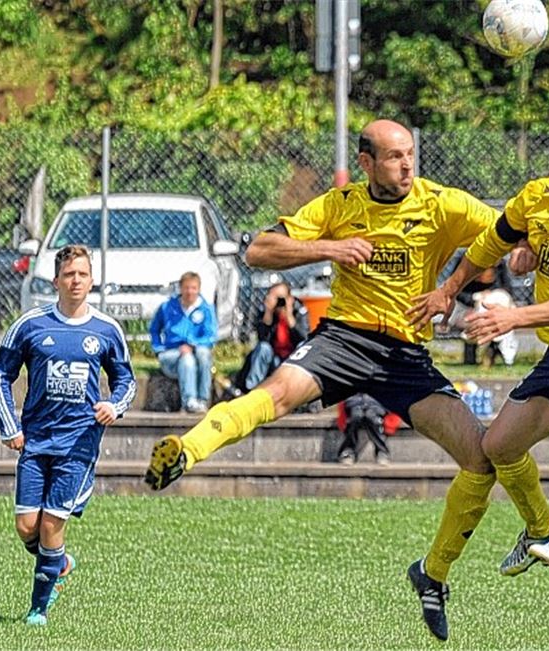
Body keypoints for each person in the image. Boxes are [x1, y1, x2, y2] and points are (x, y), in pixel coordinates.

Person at [143, 119, 498, 642]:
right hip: (344, 340)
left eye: (410, 155)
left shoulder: (442, 203)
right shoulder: (338, 206)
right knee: (274, 394)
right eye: (394, 157)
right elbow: (260, 249)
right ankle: (186, 451)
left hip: (404, 353)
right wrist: (331, 248)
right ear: (366, 163)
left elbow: (505, 235)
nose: (406, 165)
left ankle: (432, 573)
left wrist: (456, 284)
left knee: (481, 460)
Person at [409, 149, 549, 576]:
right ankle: (539, 528)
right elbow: (491, 242)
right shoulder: (537, 199)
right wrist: (450, 288)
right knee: (498, 446)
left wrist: (512, 318)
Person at [0, 245, 136, 626]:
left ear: (91, 280)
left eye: (82, 274)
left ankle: (38, 607)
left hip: (78, 444)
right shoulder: (31, 326)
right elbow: (0, 374)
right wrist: (11, 426)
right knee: (27, 527)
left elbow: (126, 381)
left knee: (52, 524)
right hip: (36, 440)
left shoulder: (106, 330)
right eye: (69, 274)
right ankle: (60, 564)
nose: (76, 281)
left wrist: (113, 406)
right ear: (56, 280)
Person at [149, 271, 217, 413]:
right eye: (186, 288)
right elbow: (154, 329)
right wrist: (158, 348)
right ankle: (190, 401)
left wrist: (193, 344)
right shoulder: (167, 307)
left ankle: (203, 399)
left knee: (203, 354)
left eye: (193, 288)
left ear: (199, 289)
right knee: (187, 360)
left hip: (196, 350)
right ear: (180, 288)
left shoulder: (206, 309)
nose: (190, 292)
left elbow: (210, 336)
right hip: (172, 354)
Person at [231, 282, 310, 395]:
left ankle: (301, 392)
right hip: (273, 359)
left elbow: (303, 338)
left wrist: (289, 315)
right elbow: (262, 339)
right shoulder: (266, 312)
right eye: (276, 298)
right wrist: (268, 313)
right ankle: (252, 391)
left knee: (302, 347)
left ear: (290, 298)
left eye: (282, 298)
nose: (279, 302)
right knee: (263, 347)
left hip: (291, 358)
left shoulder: (299, 310)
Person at [336, 392, 399, 465]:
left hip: (376, 403)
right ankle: (348, 451)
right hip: (355, 402)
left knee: (371, 417)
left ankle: (382, 452)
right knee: (355, 417)